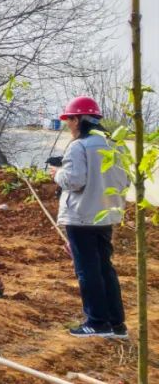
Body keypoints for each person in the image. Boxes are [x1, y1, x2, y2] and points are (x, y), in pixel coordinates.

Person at [47, 96, 128, 339]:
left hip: (81, 217)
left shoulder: (79, 146)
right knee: (104, 268)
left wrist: (57, 174)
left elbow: (74, 180)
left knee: (88, 271)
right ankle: (116, 324)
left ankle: (97, 322)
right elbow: (125, 181)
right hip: (106, 215)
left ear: (78, 119)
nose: (68, 125)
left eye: (69, 120)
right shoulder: (116, 144)